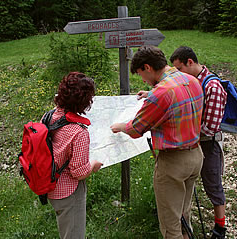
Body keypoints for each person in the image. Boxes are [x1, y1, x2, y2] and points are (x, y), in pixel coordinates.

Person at [110, 46, 204, 239]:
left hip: (173, 163)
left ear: (147, 67)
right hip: (196, 155)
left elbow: (136, 129)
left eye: (141, 74)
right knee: (184, 214)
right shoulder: (191, 80)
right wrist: (150, 93)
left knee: (170, 225)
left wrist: (120, 126)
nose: (142, 80)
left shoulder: (160, 94)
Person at [170, 46, 227, 239]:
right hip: (192, 142)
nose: (178, 74)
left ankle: (220, 228)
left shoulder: (212, 87)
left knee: (212, 183)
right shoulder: (191, 82)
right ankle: (184, 220)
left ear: (190, 62)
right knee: (188, 183)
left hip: (208, 144)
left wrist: (182, 131)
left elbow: (210, 126)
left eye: (179, 69)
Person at [46, 72, 103, 239]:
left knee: (65, 230)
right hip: (68, 192)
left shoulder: (50, 116)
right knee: (73, 235)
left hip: (51, 185)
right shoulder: (78, 132)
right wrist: (93, 165)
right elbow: (78, 172)